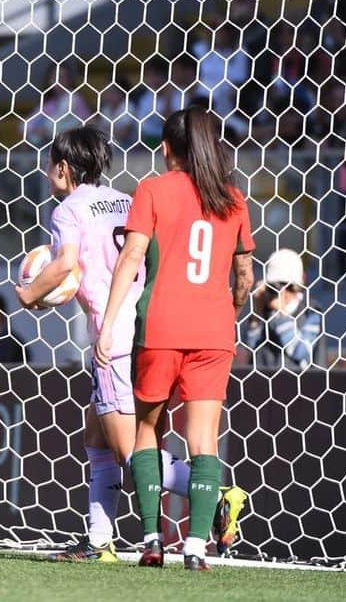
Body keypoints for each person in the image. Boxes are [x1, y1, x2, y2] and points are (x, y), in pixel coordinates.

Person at [15, 127, 238, 562]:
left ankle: (218, 493)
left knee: (128, 451)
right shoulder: (125, 198)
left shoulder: (67, 210)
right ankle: (99, 542)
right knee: (96, 439)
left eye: (50, 165)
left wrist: (28, 294)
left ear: (62, 168)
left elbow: (63, 265)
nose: (47, 173)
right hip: (149, 325)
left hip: (114, 337)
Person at [95, 107, 255, 570]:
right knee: (204, 440)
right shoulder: (232, 197)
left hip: (160, 327)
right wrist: (232, 310)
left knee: (148, 429)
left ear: (167, 148)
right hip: (213, 331)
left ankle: (151, 540)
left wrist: (108, 325)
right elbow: (243, 272)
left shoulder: (152, 189)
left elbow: (131, 258)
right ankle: (197, 546)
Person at [243, 248, 325, 371]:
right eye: (275, 285)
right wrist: (256, 312)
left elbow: (301, 351)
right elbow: (251, 347)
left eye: (288, 286)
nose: (282, 291)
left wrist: (281, 314)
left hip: (301, 385)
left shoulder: (311, 311)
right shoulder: (266, 308)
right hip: (265, 383)